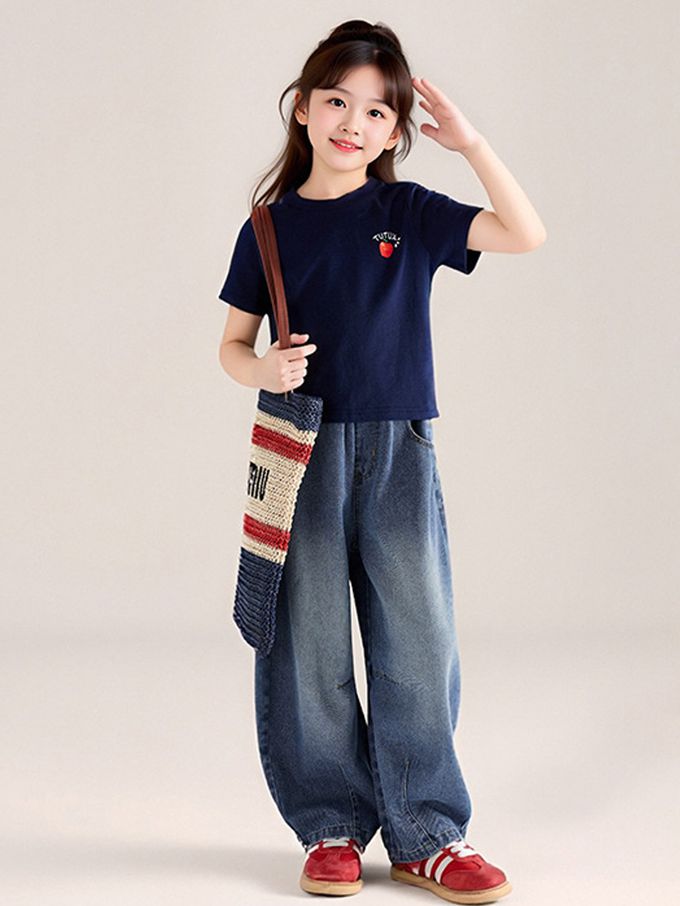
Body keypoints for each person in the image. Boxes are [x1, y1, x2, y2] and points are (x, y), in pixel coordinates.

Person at [217, 19, 546, 903]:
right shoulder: (268, 229)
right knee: (309, 639)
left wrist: (471, 145)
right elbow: (231, 348)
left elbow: (525, 233)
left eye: (375, 112)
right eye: (337, 101)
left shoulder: (407, 213)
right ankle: (329, 823)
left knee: (419, 636)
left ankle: (427, 833)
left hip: (401, 446)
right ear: (303, 108)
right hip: (304, 448)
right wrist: (262, 369)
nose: (352, 123)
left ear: (397, 130)